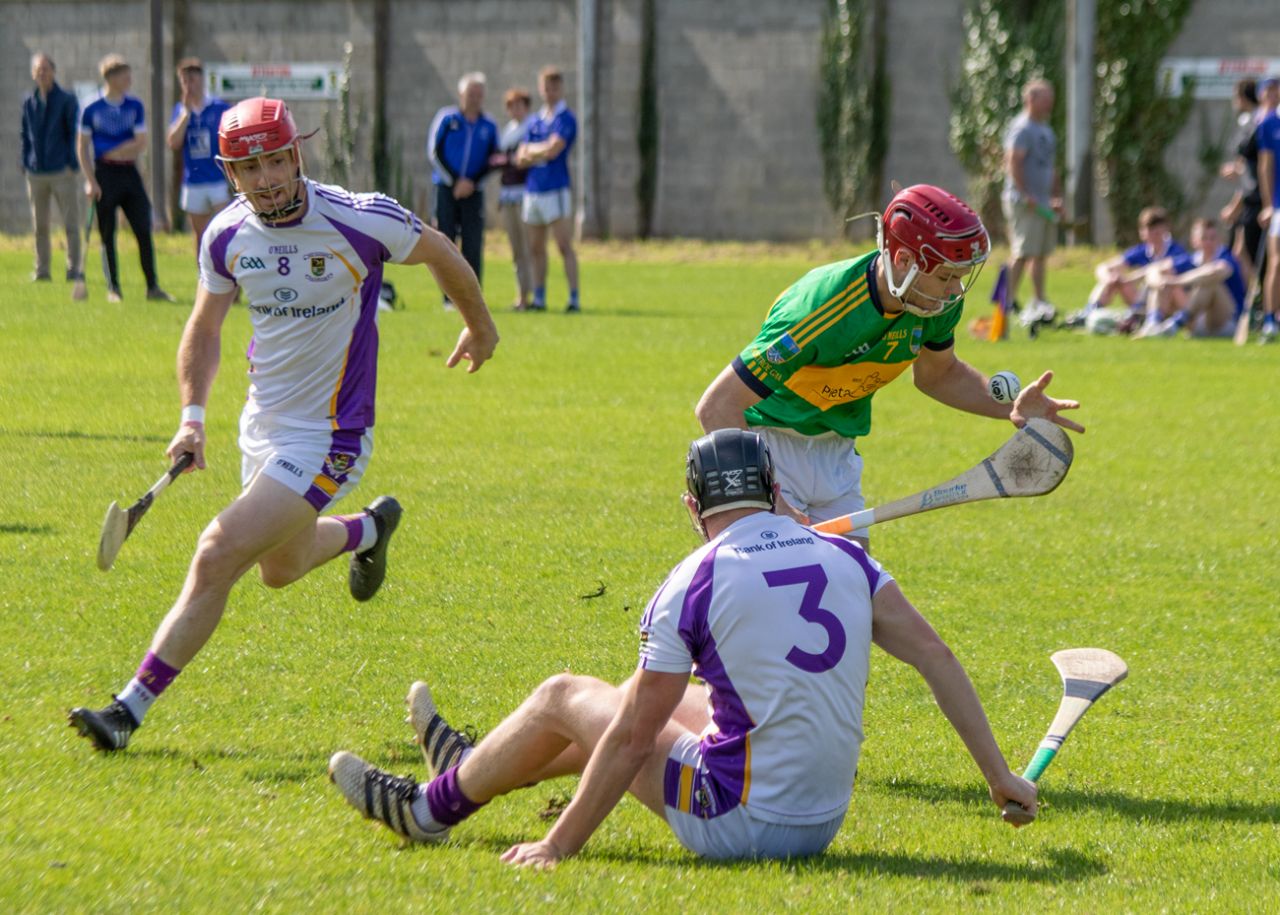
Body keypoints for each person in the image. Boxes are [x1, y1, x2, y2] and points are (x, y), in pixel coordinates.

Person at [328, 429, 1039, 865]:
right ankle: (487, 770)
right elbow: (938, 659)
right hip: (822, 816)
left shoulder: (693, 577)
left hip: (736, 820)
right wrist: (999, 773)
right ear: (776, 491)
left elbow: (636, 735)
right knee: (683, 701)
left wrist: (559, 845)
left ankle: (431, 809)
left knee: (566, 696)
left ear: (691, 507)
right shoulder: (851, 560)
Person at [68, 98, 500, 753]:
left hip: (333, 435)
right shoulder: (225, 236)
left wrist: (480, 325)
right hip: (262, 428)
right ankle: (370, 529)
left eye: (275, 160)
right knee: (280, 566)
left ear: (297, 154)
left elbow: (439, 248)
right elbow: (205, 328)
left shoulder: (359, 218)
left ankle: (128, 707)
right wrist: (192, 418)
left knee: (217, 553)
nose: (266, 177)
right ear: (229, 173)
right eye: (249, 167)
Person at [693, 184, 1083, 546]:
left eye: (960, 277)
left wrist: (1008, 408)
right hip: (768, 446)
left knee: (856, 592)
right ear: (904, 259)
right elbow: (717, 407)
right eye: (946, 276)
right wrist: (770, 497)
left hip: (838, 454)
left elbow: (940, 375)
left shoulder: (933, 304)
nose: (955, 291)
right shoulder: (819, 310)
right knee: (776, 594)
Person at [77, 54, 174, 303]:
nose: (129, 79)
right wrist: (91, 180)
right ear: (110, 77)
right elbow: (83, 148)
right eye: (124, 75)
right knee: (107, 234)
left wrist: (114, 150)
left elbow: (140, 143)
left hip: (130, 173)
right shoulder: (91, 108)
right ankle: (113, 289)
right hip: (104, 175)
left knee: (143, 229)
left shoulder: (135, 105)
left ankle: (153, 287)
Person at [428, 71, 499, 307]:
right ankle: (448, 298)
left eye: (479, 94)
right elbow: (435, 152)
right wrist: (455, 181)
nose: (475, 98)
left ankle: (473, 299)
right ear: (461, 94)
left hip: (473, 193)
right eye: (471, 93)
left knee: (473, 244)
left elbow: (494, 159)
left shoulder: (488, 125)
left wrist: (471, 183)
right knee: (447, 243)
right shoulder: (448, 119)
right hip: (447, 189)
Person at [516, 66, 580, 312]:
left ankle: (573, 297)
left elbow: (555, 150)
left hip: (556, 188)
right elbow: (520, 156)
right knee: (535, 247)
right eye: (546, 87)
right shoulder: (535, 120)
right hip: (533, 189)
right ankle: (539, 297)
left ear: (561, 88)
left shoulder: (566, 118)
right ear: (541, 89)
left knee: (563, 245)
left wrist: (535, 151)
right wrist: (539, 151)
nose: (550, 92)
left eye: (554, 87)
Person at [21, 52, 84, 297]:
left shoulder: (67, 100)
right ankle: (42, 270)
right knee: (40, 226)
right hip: (36, 172)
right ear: (33, 73)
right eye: (38, 69)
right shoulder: (29, 101)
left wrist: (71, 164)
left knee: (70, 224)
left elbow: (73, 134)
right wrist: (25, 162)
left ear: (53, 72)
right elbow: (24, 135)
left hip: (62, 172)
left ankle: (74, 269)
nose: (42, 73)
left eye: (45, 69)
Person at [1002, 79, 1062, 328]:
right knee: (1023, 251)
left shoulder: (1046, 130)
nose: (1050, 102)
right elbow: (1013, 161)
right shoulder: (1022, 128)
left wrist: (1057, 197)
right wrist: (1026, 194)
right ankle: (1005, 300)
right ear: (1030, 100)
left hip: (1043, 202)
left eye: (1051, 97)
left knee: (1039, 253)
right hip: (1025, 201)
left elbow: (1051, 167)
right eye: (1045, 97)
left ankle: (1039, 300)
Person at [166, 57, 233, 258]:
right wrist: (185, 114)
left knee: (225, 230)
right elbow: (173, 142)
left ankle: (229, 273)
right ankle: (203, 277)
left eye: (192, 80)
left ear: (202, 80)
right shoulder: (180, 111)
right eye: (184, 81)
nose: (189, 86)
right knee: (200, 235)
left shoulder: (219, 108)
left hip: (218, 180)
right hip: (193, 182)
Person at [1134, 218, 1244, 338]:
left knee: (1211, 284)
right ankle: (1152, 323)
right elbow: (1153, 269)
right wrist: (1160, 282)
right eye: (1204, 238)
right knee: (1164, 279)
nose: (1208, 242)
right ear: (1194, 241)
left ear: (1219, 239)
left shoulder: (1226, 257)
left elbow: (1216, 271)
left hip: (1227, 322)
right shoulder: (1192, 259)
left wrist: (1176, 281)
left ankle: (1173, 325)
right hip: (1197, 321)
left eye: (1212, 238)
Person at [1080, 206, 1186, 326]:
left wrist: (1130, 277)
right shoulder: (1141, 251)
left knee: (1162, 279)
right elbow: (1103, 267)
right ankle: (1088, 313)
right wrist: (1109, 278)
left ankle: (1152, 318)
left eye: (1157, 231)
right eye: (1149, 230)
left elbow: (1155, 270)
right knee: (1113, 278)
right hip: (1143, 301)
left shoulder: (1176, 251)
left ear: (1166, 230)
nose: (1153, 235)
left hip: (1170, 304)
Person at [1218, 80, 1262, 291]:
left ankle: (1260, 301)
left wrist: (1235, 205)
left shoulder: (1258, 124)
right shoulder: (1249, 121)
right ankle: (1248, 300)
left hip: (1256, 201)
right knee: (1238, 251)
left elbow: (1257, 171)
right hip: (1249, 198)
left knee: (1255, 256)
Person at [493, 87, 535, 311]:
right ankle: (521, 296)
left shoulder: (531, 127)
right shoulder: (508, 131)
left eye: (520, 105)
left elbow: (522, 160)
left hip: (525, 194)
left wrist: (507, 160)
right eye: (512, 106)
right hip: (508, 194)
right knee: (516, 249)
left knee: (529, 247)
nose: (515, 110)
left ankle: (534, 295)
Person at [1256, 78, 1280, 343]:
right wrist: (1268, 204)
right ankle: (1270, 319)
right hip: (1279, 204)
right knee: (1277, 261)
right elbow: (1265, 166)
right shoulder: (1269, 123)